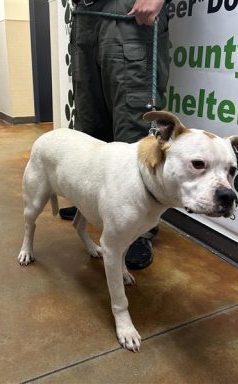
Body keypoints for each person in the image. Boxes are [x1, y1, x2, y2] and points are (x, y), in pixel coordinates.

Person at [60, 0, 170, 270]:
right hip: (86, 15)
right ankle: (90, 205)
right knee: (89, 123)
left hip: (127, 11)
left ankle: (138, 232)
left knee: (133, 124)